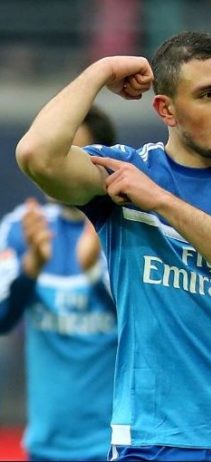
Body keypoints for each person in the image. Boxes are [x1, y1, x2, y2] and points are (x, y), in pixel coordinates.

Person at [15, 31, 211, 461]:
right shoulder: (126, 171)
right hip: (151, 441)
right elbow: (36, 155)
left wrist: (160, 200)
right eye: (207, 94)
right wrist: (101, 71)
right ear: (166, 109)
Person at [0, 106, 118, 460]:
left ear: (100, 163)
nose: (51, 164)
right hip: (45, 448)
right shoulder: (23, 228)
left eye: (66, 153)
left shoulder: (127, 232)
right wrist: (31, 268)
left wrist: (94, 273)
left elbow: (150, 326)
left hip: (117, 448)